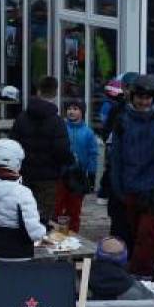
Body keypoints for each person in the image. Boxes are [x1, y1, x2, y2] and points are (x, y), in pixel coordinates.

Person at [105, 76, 154, 275]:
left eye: (147, 98)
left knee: (146, 234)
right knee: (141, 232)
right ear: (132, 97)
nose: (143, 102)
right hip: (130, 185)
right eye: (140, 97)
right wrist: (117, 185)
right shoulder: (122, 119)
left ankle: (140, 273)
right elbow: (116, 156)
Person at [9, 75, 73, 219]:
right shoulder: (57, 122)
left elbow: (13, 144)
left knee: (23, 214)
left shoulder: (22, 118)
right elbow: (62, 150)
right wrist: (67, 163)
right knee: (43, 218)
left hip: (25, 173)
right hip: (48, 177)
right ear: (55, 93)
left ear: (38, 91)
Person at [57, 97, 99, 232]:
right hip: (61, 173)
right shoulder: (61, 128)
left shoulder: (88, 133)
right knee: (57, 207)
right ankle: (55, 234)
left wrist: (91, 175)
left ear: (82, 112)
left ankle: (73, 235)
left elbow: (93, 155)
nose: (71, 112)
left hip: (78, 177)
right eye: (69, 109)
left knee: (74, 209)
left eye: (75, 109)